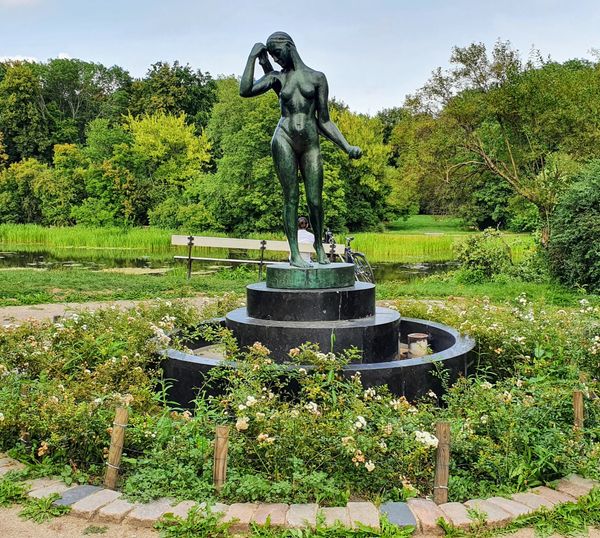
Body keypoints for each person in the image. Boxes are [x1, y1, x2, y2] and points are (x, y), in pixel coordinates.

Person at [240, 31, 362, 268]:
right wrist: (253, 57)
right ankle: (295, 254)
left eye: (277, 54)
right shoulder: (277, 78)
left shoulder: (317, 78)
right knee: (291, 198)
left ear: (288, 47)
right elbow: (245, 90)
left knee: (315, 201)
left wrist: (347, 146)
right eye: (272, 57)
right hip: (283, 138)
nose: (276, 60)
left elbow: (324, 120)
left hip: (310, 144)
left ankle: (319, 247)